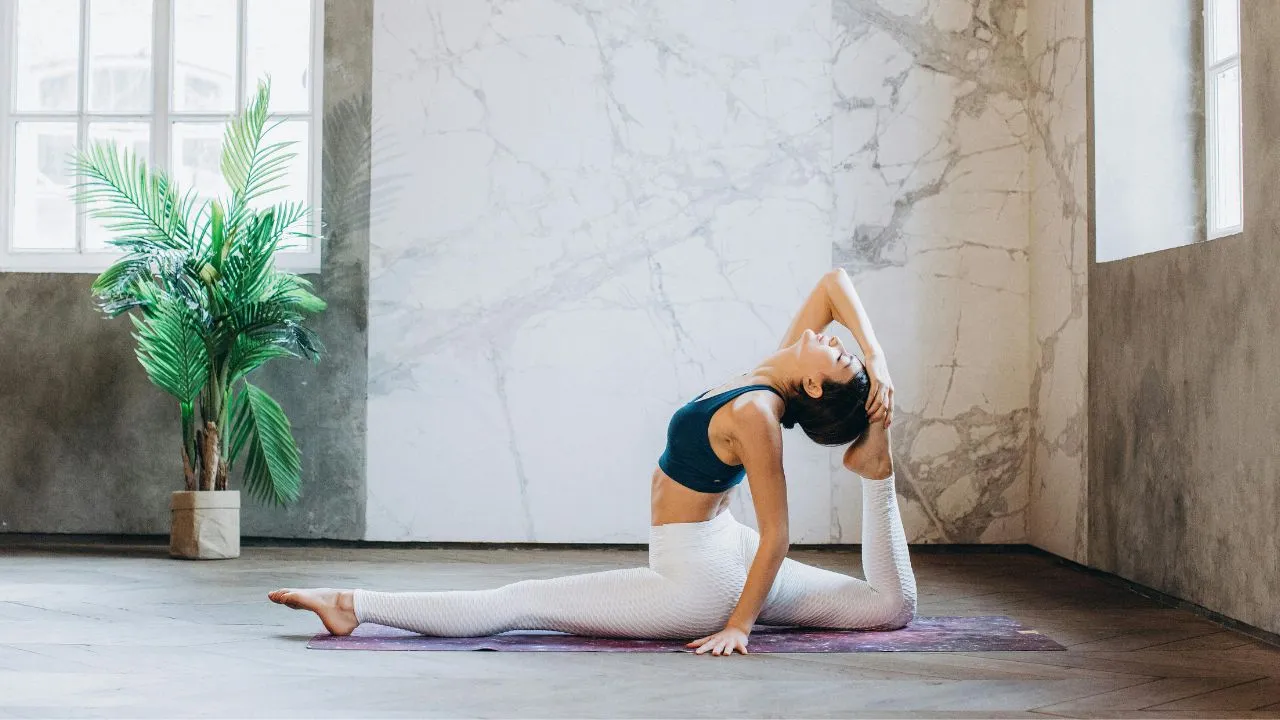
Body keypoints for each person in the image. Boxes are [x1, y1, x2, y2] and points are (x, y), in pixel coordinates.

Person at [269, 267, 916, 657]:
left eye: (846, 361)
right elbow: (835, 283)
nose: (841, 345)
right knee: (889, 609)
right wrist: (878, 364)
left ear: (812, 388)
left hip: (702, 580)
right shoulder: (770, 375)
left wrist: (740, 626)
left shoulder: (757, 414)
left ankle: (353, 605)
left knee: (522, 601)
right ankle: (874, 465)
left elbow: (778, 534)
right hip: (725, 551)